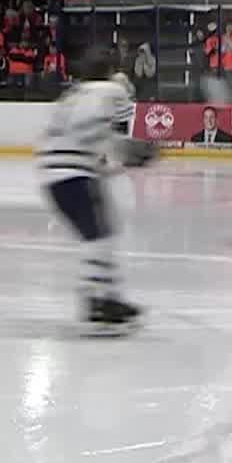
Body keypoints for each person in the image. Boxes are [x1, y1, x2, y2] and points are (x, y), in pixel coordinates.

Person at [35, 50, 147, 332]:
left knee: (99, 233)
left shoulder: (72, 94)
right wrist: (138, 151)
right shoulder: (113, 89)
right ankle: (97, 299)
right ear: (110, 71)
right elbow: (117, 137)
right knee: (100, 235)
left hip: (51, 173)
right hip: (74, 171)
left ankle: (105, 296)